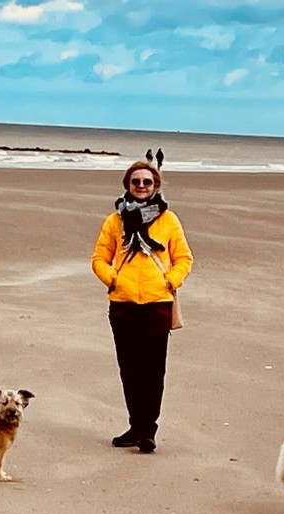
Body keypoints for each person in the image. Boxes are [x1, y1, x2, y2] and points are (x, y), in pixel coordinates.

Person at [91, 160, 193, 453]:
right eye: (135, 181)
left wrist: (170, 281)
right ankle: (136, 426)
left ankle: (148, 429)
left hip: (157, 302)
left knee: (152, 370)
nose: (141, 186)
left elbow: (185, 258)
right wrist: (113, 280)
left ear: (155, 186)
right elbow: (98, 258)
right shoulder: (114, 221)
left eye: (147, 182)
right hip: (122, 304)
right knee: (129, 369)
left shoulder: (169, 220)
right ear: (127, 185)